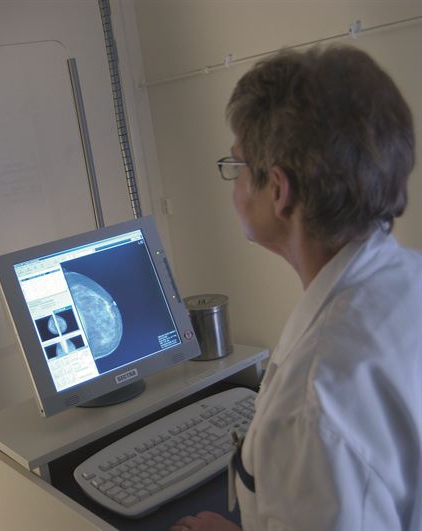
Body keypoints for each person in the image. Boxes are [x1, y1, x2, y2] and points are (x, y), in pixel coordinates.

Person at [172, 45, 421, 531]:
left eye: (238, 164)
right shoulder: (409, 278)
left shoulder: (313, 405)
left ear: (278, 190)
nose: (233, 183)